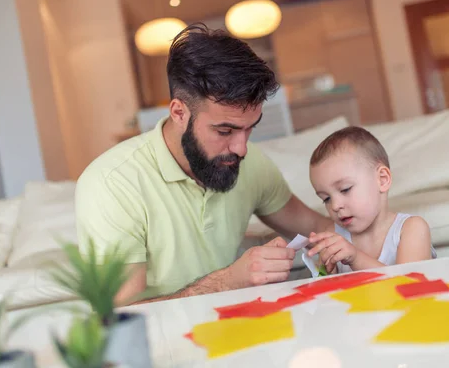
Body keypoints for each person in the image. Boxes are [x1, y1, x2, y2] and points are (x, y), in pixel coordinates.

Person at [75, 24, 331, 304]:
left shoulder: (251, 162)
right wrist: (228, 282)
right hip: (164, 345)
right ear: (178, 112)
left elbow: (319, 228)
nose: (241, 148)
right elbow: (121, 319)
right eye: (224, 131)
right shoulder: (111, 184)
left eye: (249, 129)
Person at [306, 126, 436, 275]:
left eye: (345, 189)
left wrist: (355, 258)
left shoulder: (411, 229)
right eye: (326, 199)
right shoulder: (335, 236)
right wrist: (323, 270)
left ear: (382, 179)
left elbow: (410, 283)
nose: (335, 206)